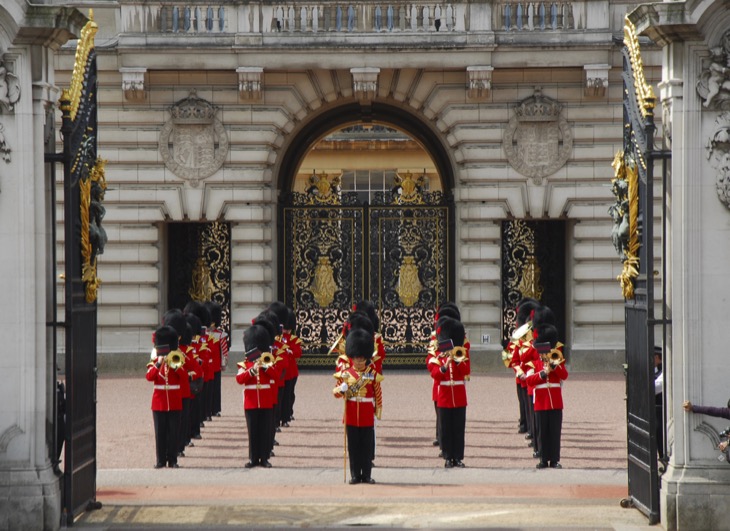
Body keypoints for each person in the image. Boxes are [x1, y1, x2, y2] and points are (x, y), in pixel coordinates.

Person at [333, 328, 383, 484]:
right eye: (357, 358)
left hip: (367, 414)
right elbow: (335, 392)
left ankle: (366, 475)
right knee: (353, 447)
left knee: (367, 448)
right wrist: (341, 390)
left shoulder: (372, 373)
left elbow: (378, 393)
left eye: (362, 358)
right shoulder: (345, 374)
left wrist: (378, 413)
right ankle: (355, 475)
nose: (360, 361)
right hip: (352, 413)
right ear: (352, 358)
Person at [428, 316, 469, 468]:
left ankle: (458, 457)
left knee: (458, 428)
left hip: (459, 396)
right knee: (445, 428)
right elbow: (435, 374)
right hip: (444, 396)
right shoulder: (436, 357)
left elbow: (466, 371)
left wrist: (457, 360)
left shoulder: (461, 354)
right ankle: (447, 456)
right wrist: (445, 365)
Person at [526, 323, 568, 469]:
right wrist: (543, 373)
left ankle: (555, 459)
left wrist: (555, 366)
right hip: (541, 402)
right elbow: (529, 380)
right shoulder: (533, 364)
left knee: (555, 432)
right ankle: (543, 459)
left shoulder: (557, 361)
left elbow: (565, 375)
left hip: (555, 402)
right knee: (542, 432)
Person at [236, 323, 277, 468]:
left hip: (265, 401)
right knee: (253, 432)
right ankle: (253, 458)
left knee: (265, 431)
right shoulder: (244, 365)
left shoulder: (269, 362)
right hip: (251, 401)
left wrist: (265, 367)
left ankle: (264, 458)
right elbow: (239, 379)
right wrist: (252, 371)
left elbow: (276, 375)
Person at [146, 325, 186, 469]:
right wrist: (158, 363)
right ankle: (160, 460)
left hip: (174, 401)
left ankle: (173, 460)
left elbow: (183, 378)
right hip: (159, 401)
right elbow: (149, 377)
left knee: (174, 432)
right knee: (160, 432)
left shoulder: (177, 358)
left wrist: (175, 366)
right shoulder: (154, 359)